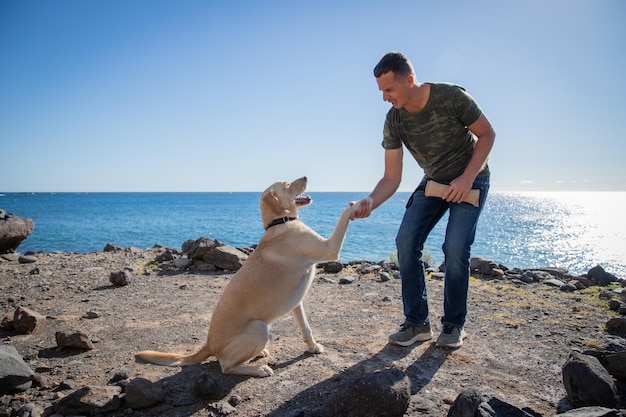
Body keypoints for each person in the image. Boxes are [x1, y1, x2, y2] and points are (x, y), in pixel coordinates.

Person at [351, 51, 495, 348]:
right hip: (434, 182)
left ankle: (454, 326)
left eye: (389, 90)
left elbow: (487, 135)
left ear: (410, 80)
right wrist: (370, 201)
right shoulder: (394, 120)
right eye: (381, 91)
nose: (385, 98)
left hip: (472, 178)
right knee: (406, 241)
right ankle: (417, 324)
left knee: (455, 247)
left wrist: (466, 178)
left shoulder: (451, 97)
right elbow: (391, 177)